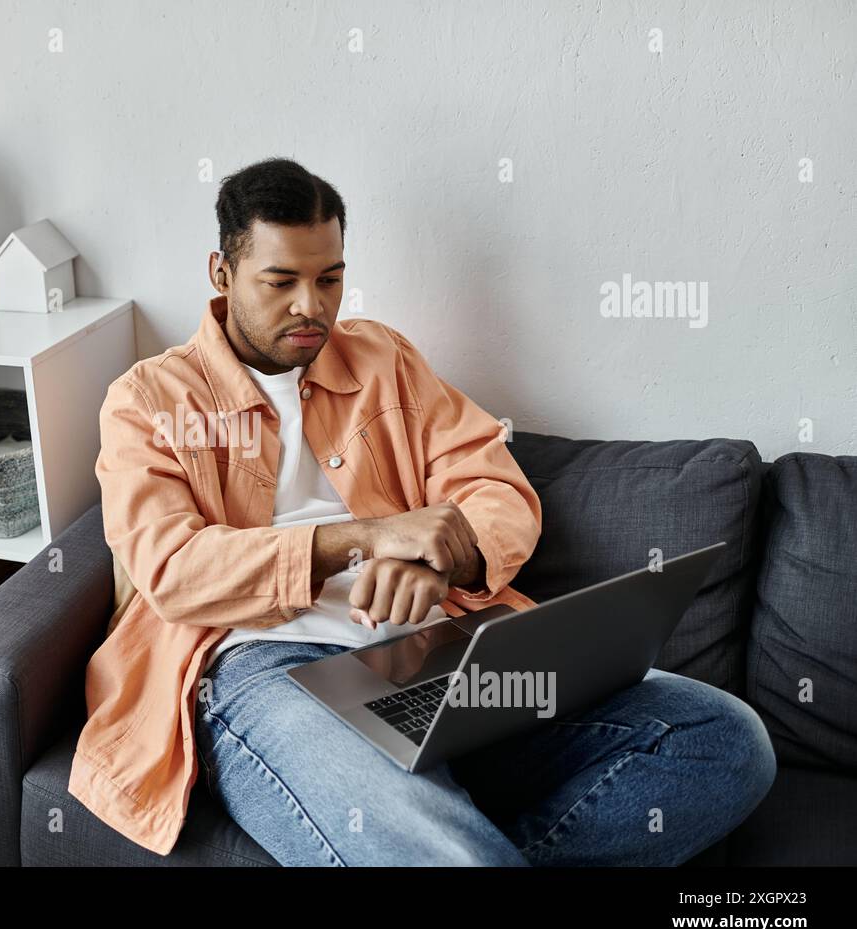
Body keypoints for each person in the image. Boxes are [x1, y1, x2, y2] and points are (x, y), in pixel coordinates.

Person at [68, 156, 776, 865]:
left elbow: (496, 490)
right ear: (222, 274)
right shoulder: (149, 401)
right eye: (280, 282)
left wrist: (445, 558)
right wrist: (366, 540)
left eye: (330, 278)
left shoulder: (383, 359)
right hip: (264, 668)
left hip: (438, 658)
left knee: (721, 737)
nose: (311, 305)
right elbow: (171, 569)